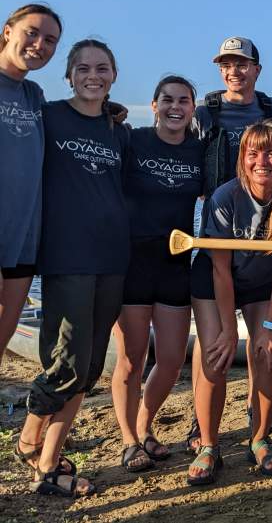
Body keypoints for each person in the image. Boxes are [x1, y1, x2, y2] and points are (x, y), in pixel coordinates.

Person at [18, 39, 130, 497]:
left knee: (86, 371)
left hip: (113, 258)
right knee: (65, 363)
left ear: (113, 75)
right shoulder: (48, 117)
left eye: (102, 68)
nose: (93, 75)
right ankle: (30, 442)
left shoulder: (119, 131)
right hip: (67, 258)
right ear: (68, 76)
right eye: (83, 68)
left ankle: (48, 460)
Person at [188, 36, 272, 451]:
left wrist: (271, 325)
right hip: (221, 236)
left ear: (256, 69)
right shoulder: (206, 112)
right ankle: (205, 431)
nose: (233, 71)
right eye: (225, 65)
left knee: (267, 350)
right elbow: (182, 142)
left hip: (263, 249)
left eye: (241, 64)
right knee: (214, 348)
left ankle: (259, 432)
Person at [187, 120, 272, 485]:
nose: (262, 161)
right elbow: (221, 272)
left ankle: (258, 439)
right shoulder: (226, 197)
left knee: (269, 358)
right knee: (214, 356)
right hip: (214, 281)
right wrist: (227, 330)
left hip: (263, 284)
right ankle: (209, 445)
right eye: (253, 153)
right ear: (243, 158)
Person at [111, 76, 204, 472]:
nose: (175, 107)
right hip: (132, 261)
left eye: (183, 100)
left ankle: (145, 425)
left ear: (193, 109)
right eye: (167, 99)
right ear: (153, 105)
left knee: (168, 359)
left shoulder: (201, 152)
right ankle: (130, 441)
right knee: (131, 360)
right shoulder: (133, 140)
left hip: (175, 262)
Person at [0, 4, 62, 364]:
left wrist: (108, 113)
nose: (40, 45)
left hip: (22, 244)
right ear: (8, 30)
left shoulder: (34, 96)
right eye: (32, 33)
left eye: (50, 40)